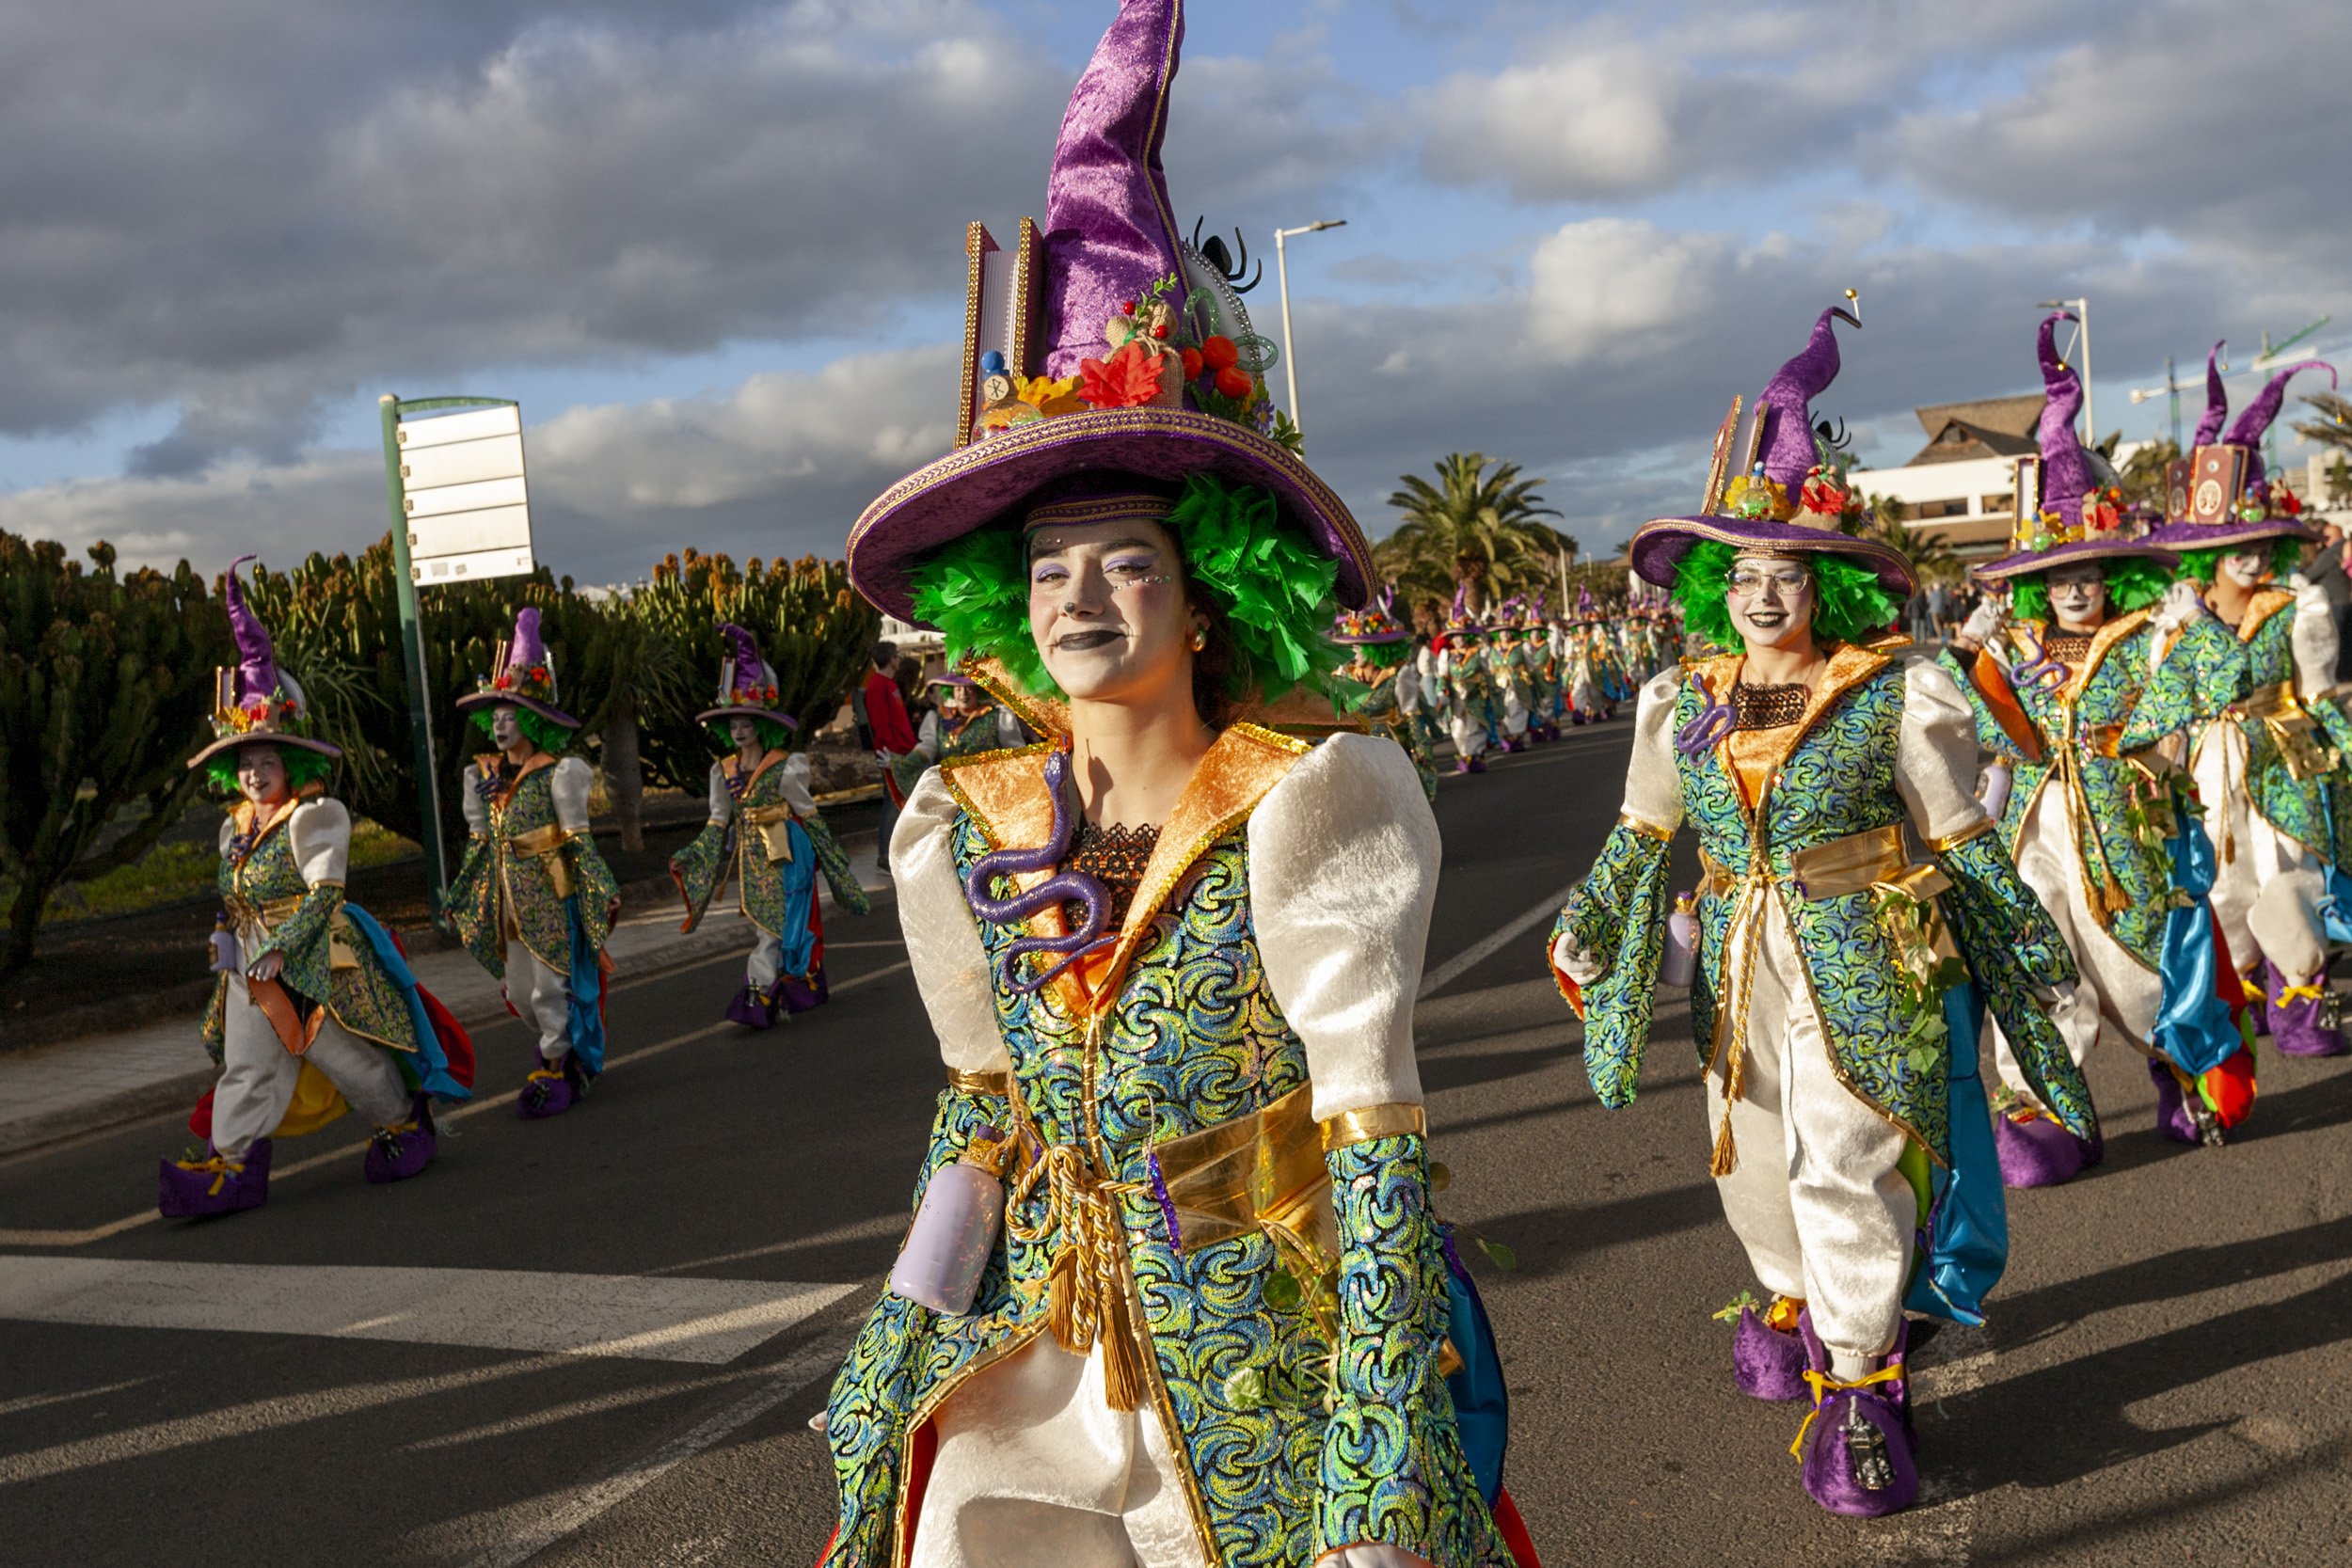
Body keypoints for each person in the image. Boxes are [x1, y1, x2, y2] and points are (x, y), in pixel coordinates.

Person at [818, 5, 1536, 1563]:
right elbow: (983, 1116)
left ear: (1206, 589)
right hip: (1043, 1375)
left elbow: (1372, 1154)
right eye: (1050, 568)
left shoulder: (1311, 799)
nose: (1081, 599)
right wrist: (902, 1324)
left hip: (1266, 1378)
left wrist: (1383, 1472)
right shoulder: (966, 823)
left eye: (1126, 561)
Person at [1549, 303, 2090, 1519]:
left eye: (1786, 573)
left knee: (1847, 1154)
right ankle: (1785, 1294)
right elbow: (1643, 832)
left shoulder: (1899, 694)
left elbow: (1958, 832)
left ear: (1828, 585)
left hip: (1870, 953)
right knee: (1750, 1159)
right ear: (1711, 585)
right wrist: (1590, 917)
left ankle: (1858, 1373)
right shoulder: (1679, 700)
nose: (1760, 592)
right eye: (1739, 573)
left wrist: (2024, 937)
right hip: (1738, 955)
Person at [1944, 312, 2252, 1179]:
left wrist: (2196, 627)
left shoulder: (2146, 632)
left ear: (2109, 573)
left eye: (2087, 574)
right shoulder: (2013, 648)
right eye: (2058, 577)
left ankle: (2181, 1062)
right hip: (2036, 828)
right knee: (2036, 957)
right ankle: (2047, 1108)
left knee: (2140, 971)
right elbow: (1957, 718)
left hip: (2126, 829)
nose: (2075, 589)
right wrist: (1967, 651)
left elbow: (2223, 678)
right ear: (2039, 584)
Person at [160, 559, 470, 1218]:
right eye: (244, 763)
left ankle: (401, 1122)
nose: (252, 775)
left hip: (310, 963)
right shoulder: (234, 827)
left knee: (346, 1060)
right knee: (245, 1064)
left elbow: (325, 894)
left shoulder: (314, 816)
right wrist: (226, 941)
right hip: (250, 964)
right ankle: (234, 1164)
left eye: (265, 762)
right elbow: (235, 897)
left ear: (289, 762)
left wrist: (283, 947)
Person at [2151, 357, 2349, 1055]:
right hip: (2207, 765)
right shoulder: (2175, 619)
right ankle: (2244, 992)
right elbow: (2166, 707)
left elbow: (2320, 690)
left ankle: (2302, 993)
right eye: (2237, 542)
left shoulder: (2299, 607)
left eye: (2260, 541)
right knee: (2222, 885)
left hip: (2278, 759)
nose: (2250, 554)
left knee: (2286, 870)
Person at [445, 607, 621, 1119]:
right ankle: (554, 1048)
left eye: (512, 714)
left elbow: (578, 839)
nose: (501, 724)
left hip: (550, 893)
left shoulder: (560, 773)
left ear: (533, 720)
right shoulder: (478, 775)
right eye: (496, 716)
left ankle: (558, 1066)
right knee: (520, 993)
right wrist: (463, 897)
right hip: (505, 900)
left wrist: (600, 887)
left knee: (550, 987)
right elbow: (478, 843)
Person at [672, 623, 872, 1029]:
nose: (739, 731)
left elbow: (808, 811)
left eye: (746, 723)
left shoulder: (785, 766)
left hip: (788, 850)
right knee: (765, 924)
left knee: (784, 927)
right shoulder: (722, 771)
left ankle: (759, 988)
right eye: (733, 725)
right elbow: (716, 821)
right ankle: (779, 985)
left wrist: (830, 857)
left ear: (761, 725)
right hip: (751, 856)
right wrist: (693, 855)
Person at [1335, 586, 1440, 799]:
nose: (1354, 651)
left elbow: (1412, 719)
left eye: (1360, 646)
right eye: (1353, 645)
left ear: (1376, 650)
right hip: (1352, 748)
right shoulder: (1345, 673)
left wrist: (1421, 763)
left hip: (1387, 749)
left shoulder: (1400, 674)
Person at [892, 672, 1027, 799]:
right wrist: (902, 763)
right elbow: (928, 747)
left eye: (969, 688)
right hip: (952, 795)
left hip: (991, 793)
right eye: (958, 689)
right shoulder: (939, 717)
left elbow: (1017, 753)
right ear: (952, 693)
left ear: (978, 691)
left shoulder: (998, 716)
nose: (963, 693)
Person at [864, 640, 918, 882]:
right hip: (891, 754)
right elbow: (880, 722)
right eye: (896, 654)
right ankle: (884, 857)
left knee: (897, 800)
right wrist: (887, 753)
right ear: (890, 658)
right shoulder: (877, 685)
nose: (899, 658)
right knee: (891, 803)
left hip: (901, 751)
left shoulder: (887, 684)